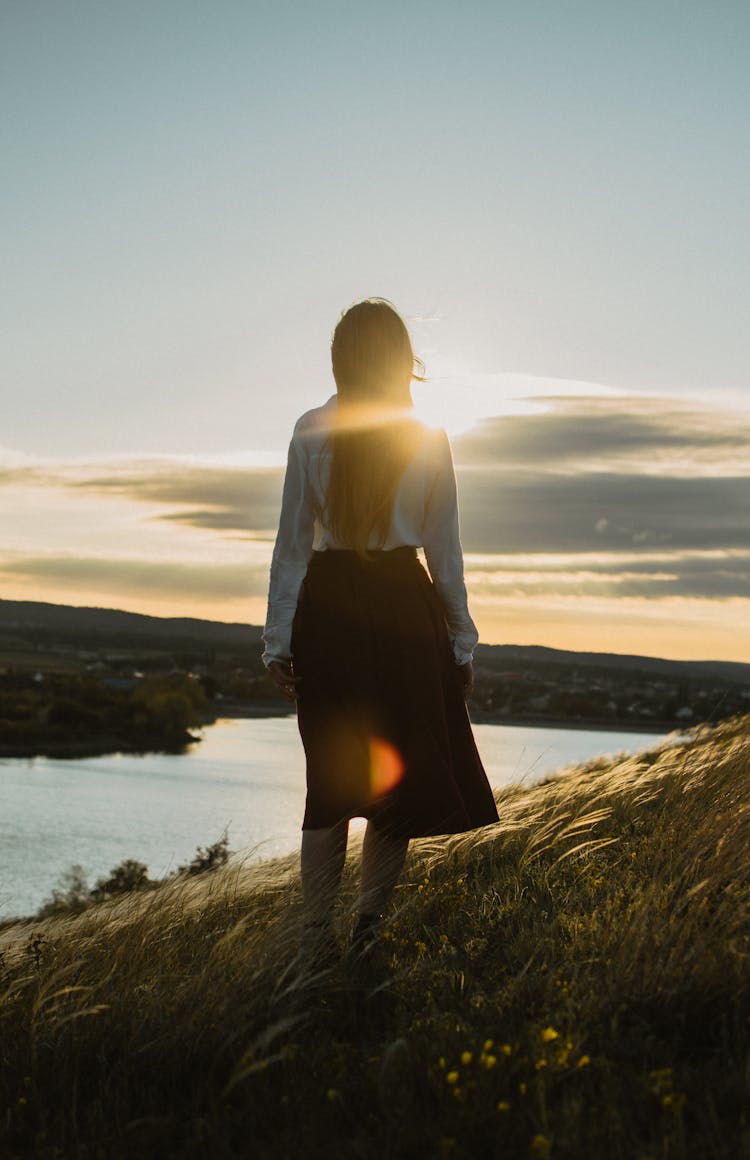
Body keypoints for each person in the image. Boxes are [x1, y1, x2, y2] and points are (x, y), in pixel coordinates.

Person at [262, 298, 498, 960]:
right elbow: (445, 552)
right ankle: (367, 933)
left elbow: (292, 547)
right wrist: (461, 641)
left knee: (329, 785)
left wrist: (277, 641)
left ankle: (316, 943)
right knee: (392, 787)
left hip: (329, 612)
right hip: (404, 613)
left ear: (340, 358)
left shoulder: (311, 428)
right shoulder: (426, 437)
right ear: (402, 361)